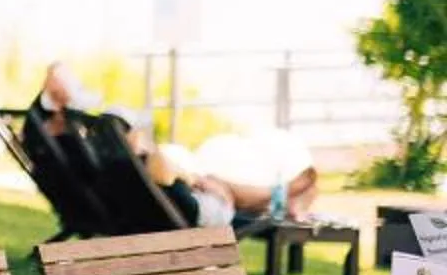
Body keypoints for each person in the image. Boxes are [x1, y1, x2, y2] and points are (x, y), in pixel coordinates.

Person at [38, 60, 320, 224]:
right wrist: (190, 177)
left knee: (215, 182)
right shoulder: (117, 154)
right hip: (195, 210)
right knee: (219, 187)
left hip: (176, 200)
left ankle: (280, 195)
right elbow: (159, 171)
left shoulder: (91, 155)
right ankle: (281, 195)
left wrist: (191, 177)